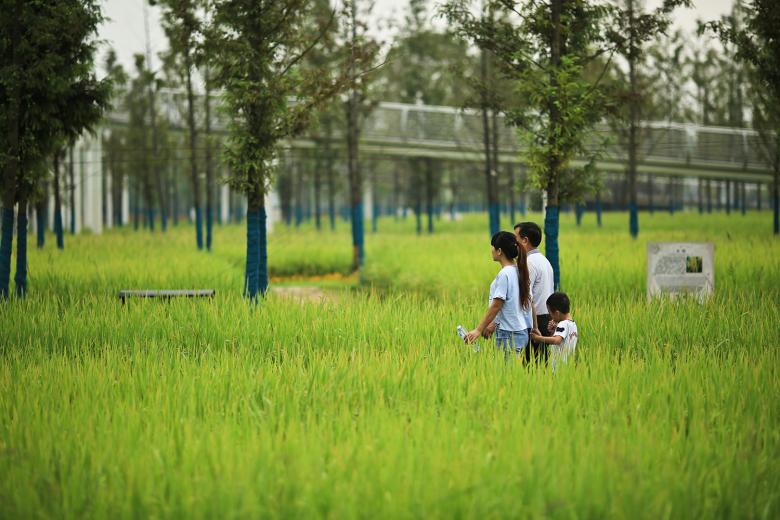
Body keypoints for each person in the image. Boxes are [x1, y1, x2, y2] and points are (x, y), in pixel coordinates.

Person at [465, 231, 537, 359]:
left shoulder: (505, 274)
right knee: (513, 368)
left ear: (499, 251)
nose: (491, 250)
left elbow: (497, 305)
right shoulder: (520, 271)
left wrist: (478, 330)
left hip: (509, 334)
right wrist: (534, 327)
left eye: (493, 247)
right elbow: (529, 303)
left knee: (507, 370)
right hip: (521, 331)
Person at [514, 221, 555, 364]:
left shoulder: (529, 262)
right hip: (547, 318)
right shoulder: (544, 261)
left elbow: (528, 297)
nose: (514, 244)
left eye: (516, 239)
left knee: (531, 365)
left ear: (525, 240)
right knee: (542, 363)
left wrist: (534, 327)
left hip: (535, 320)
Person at [530, 292, 578, 370]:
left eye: (550, 313)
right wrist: (553, 331)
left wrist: (538, 338)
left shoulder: (562, 324)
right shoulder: (573, 324)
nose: (550, 316)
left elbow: (557, 340)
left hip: (559, 367)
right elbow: (563, 341)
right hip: (568, 366)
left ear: (557, 313)